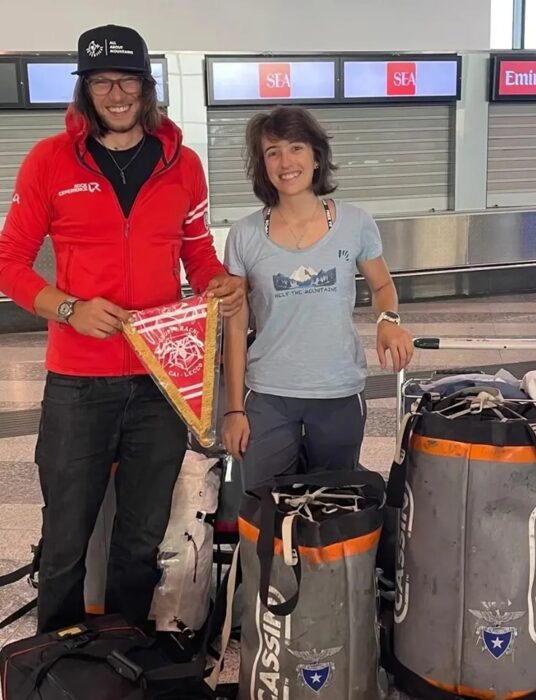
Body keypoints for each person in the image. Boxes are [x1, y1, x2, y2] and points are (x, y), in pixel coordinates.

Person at [0, 24, 244, 633]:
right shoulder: (49, 163)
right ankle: (57, 665)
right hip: (79, 383)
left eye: (126, 79)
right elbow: (9, 260)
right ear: (85, 90)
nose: (115, 93)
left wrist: (218, 279)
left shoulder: (182, 165)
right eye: (101, 80)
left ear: (146, 86)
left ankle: (122, 657)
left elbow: (196, 251)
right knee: (64, 544)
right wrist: (66, 307)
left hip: (162, 382)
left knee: (140, 540)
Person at [222, 106, 413, 489]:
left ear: (316, 156)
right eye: (272, 151)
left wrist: (388, 321)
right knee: (264, 509)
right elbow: (235, 324)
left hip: (338, 391)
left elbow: (382, 286)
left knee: (336, 510)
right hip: (269, 395)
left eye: (296, 148)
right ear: (262, 164)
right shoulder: (243, 235)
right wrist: (233, 409)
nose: (285, 161)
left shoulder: (355, 223)